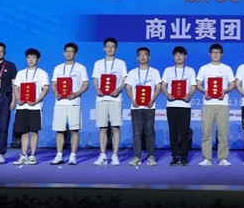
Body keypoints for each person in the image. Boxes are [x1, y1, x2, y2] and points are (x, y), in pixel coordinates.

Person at [195, 43, 235, 166]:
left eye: (218, 52)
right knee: (206, 132)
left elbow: (232, 84)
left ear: (222, 54)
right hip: (208, 103)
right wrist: (205, 91)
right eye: (213, 52)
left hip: (222, 103)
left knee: (223, 132)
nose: (215, 54)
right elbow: (198, 84)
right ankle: (207, 158)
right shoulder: (204, 68)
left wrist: (225, 91)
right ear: (209, 54)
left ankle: (222, 158)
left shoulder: (227, 68)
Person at [50, 43, 89, 165]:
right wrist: (56, 92)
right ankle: (59, 155)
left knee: (74, 130)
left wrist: (76, 94)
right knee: (59, 130)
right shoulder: (58, 68)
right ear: (63, 53)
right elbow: (54, 84)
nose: (69, 53)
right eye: (67, 51)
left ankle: (73, 156)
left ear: (75, 54)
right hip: (60, 103)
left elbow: (86, 84)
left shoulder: (81, 68)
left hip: (74, 103)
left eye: (71, 51)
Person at [91, 38, 128, 166]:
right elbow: (95, 80)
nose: (110, 48)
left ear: (116, 49)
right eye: (108, 46)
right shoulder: (98, 63)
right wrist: (97, 88)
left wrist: (118, 89)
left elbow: (125, 80)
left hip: (115, 99)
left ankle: (115, 156)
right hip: (101, 99)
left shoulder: (121, 63)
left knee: (115, 128)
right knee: (103, 128)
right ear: (104, 48)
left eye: (112, 46)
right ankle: (102, 156)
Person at [125, 47, 163, 166]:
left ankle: (151, 157)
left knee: (149, 132)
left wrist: (152, 99)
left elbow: (159, 87)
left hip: (149, 106)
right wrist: (132, 100)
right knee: (137, 133)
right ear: (137, 58)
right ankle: (137, 157)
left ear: (149, 57)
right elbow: (128, 88)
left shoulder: (154, 72)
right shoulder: (132, 72)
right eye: (140, 55)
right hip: (136, 107)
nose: (142, 57)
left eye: (145, 54)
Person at [12, 48, 50, 165]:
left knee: (34, 132)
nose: (31, 60)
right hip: (21, 107)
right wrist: (18, 99)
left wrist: (37, 100)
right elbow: (16, 88)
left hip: (35, 107)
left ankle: (32, 156)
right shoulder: (20, 73)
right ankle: (23, 155)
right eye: (29, 57)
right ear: (26, 59)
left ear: (38, 59)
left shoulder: (42, 73)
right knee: (23, 132)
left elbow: (46, 89)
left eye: (33, 57)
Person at [161, 46, 197, 166]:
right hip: (171, 105)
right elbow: (163, 85)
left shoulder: (190, 70)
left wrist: (189, 95)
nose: (179, 57)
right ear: (173, 57)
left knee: (184, 132)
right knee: (173, 132)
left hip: (185, 105)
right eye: (176, 55)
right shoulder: (168, 70)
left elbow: (193, 86)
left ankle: (184, 157)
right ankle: (175, 157)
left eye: (181, 54)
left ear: (185, 56)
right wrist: (167, 94)